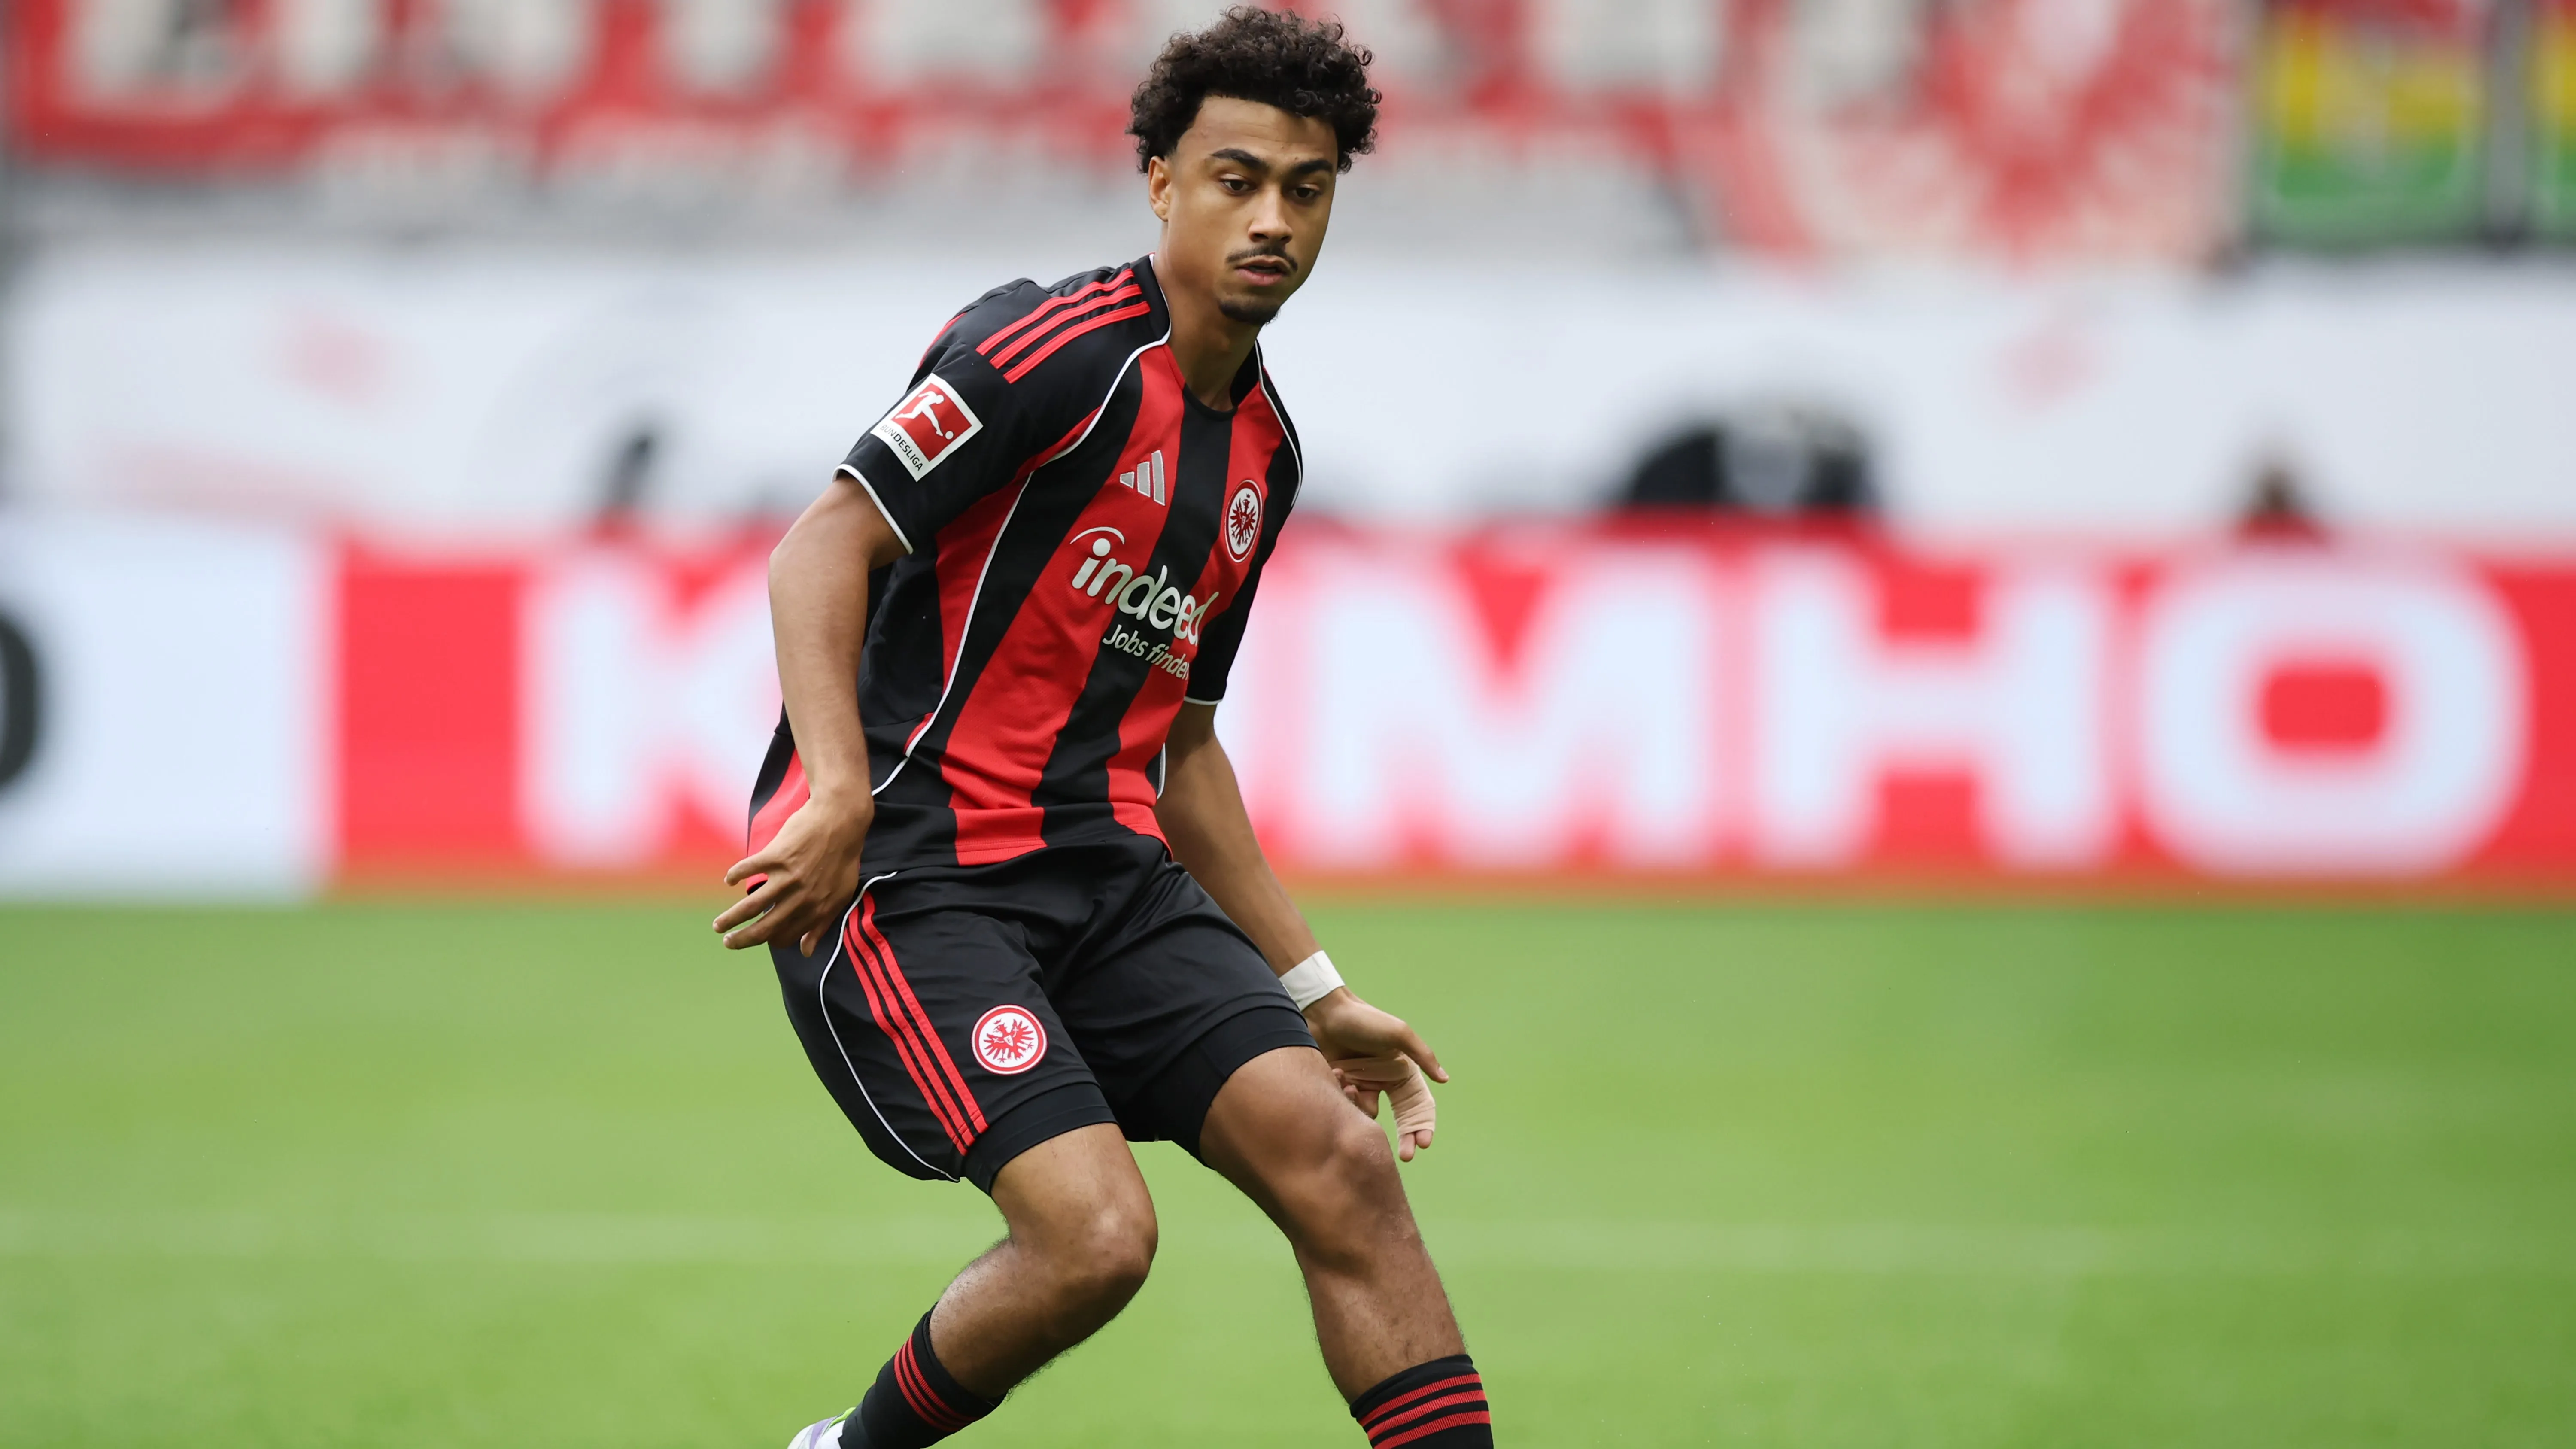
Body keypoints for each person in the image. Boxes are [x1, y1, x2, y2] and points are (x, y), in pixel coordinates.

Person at [715, 11, 1493, 1448]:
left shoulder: (1268, 449)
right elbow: (822, 545)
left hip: (1109, 872)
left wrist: (1317, 987)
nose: (1272, 220)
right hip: (915, 867)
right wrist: (832, 789)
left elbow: (1182, 740)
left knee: (1343, 1163)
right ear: (1158, 179)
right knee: (1095, 1238)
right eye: (1236, 177)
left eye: (1307, 189)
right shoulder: (1052, 351)